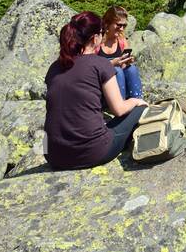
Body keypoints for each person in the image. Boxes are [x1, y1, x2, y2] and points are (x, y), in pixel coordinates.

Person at [44, 11, 148, 170]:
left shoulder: (54, 67)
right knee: (140, 109)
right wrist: (136, 100)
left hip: (52, 156)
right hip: (92, 152)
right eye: (101, 32)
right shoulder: (100, 64)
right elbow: (119, 110)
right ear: (95, 38)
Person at [99, 5, 143, 102]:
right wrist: (111, 64)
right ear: (107, 24)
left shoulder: (121, 40)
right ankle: (120, 105)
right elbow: (91, 66)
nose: (122, 29)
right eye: (119, 25)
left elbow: (124, 65)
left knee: (132, 69)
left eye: (124, 25)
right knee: (116, 70)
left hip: (119, 83)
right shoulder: (97, 40)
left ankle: (138, 101)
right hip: (102, 85)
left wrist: (127, 61)